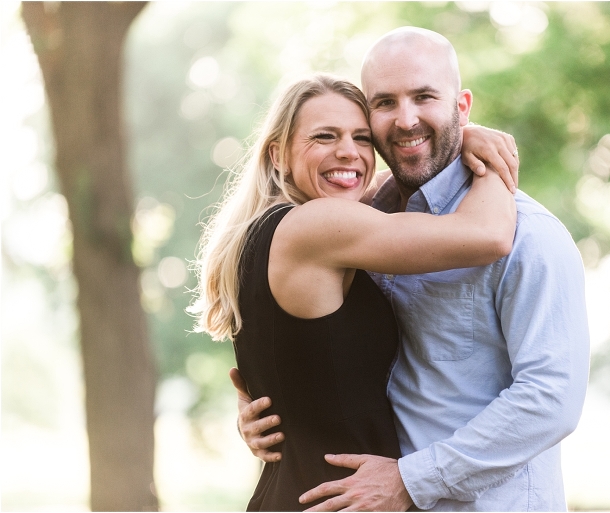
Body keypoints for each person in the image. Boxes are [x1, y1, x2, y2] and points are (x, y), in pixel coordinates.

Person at [235, 27, 591, 512]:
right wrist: (284, 407)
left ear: (461, 107)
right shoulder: (365, 222)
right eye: (384, 103)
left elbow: (551, 399)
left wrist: (410, 480)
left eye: (424, 97)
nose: (405, 120)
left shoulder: (530, 236)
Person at [190, 73, 517, 511]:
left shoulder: (262, 233)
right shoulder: (315, 226)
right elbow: (488, 235)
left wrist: (459, 135)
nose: (349, 152)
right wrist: (487, 157)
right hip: (336, 499)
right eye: (324, 136)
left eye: (362, 138)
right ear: (278, 154)